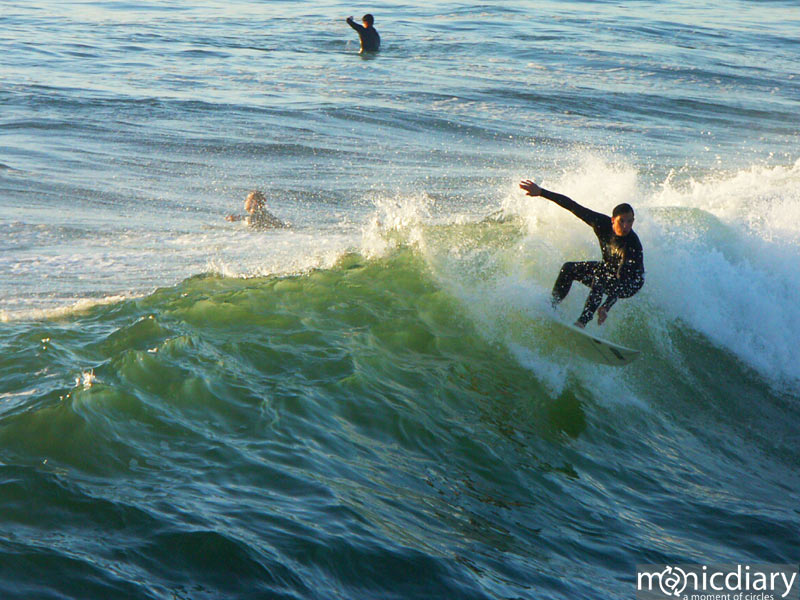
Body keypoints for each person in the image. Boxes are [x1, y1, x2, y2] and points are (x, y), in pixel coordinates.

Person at [519, 179, 644, 327]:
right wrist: (541, 192)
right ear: (612, 220)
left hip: (630, 283)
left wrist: (606, 306)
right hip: (610, 271)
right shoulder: (601, 223)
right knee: (569, 268)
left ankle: (582, 322)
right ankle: (552, 305)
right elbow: (572, 206)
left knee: (601, 278)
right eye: (621, 221)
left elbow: (619, 280)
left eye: (630, 221)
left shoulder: (632, 246)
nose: (626, 226)